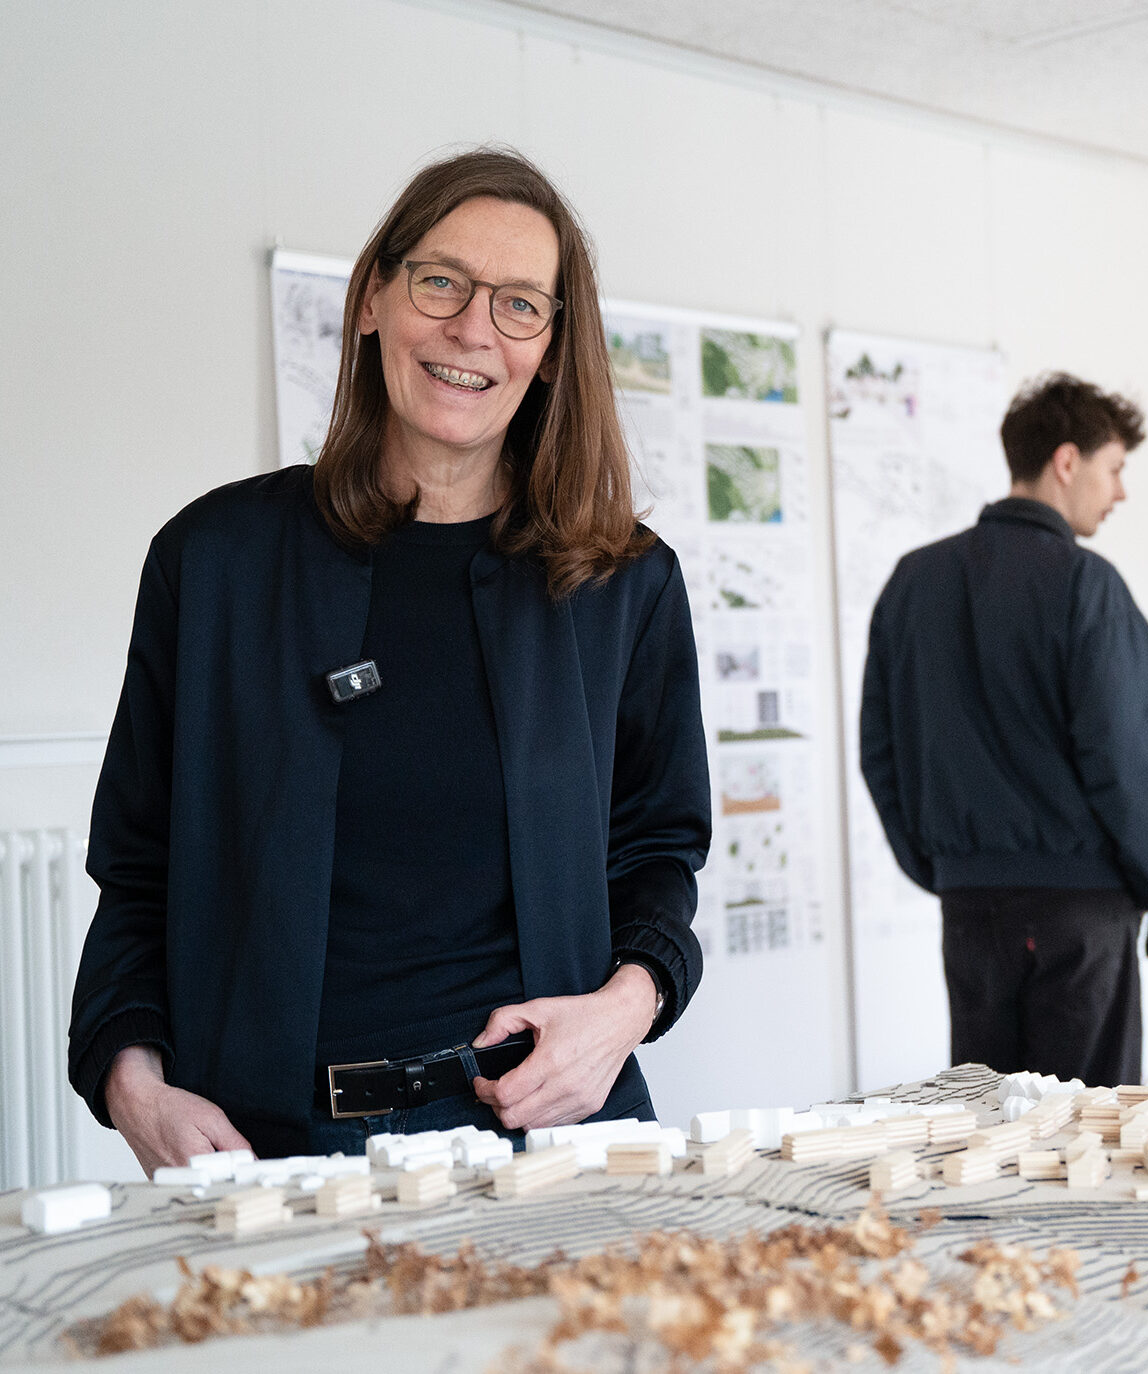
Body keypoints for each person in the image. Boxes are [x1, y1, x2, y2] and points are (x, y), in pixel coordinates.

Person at [68, 149, 712, 1170]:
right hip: (270, 1150)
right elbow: (139, 870)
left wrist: (622, 1015)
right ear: (374, 296)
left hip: (552, 1143)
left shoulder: (623, 584)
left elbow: (657, 853)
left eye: (519, 307)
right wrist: (132, 1085)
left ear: (550, 350)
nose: (472, 331)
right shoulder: (214, 562)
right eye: (442, 282)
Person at [859, 373, 1148, 1087]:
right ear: (1066, 462)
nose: (1121, 492)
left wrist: (942, 868)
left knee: (986, 1130)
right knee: (1087, 1142)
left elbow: (879, 750)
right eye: (1115, 469)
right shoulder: (1086, 585)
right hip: (1081, 912)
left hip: (969, 908)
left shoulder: (913, 581)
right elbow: (1133, 758)